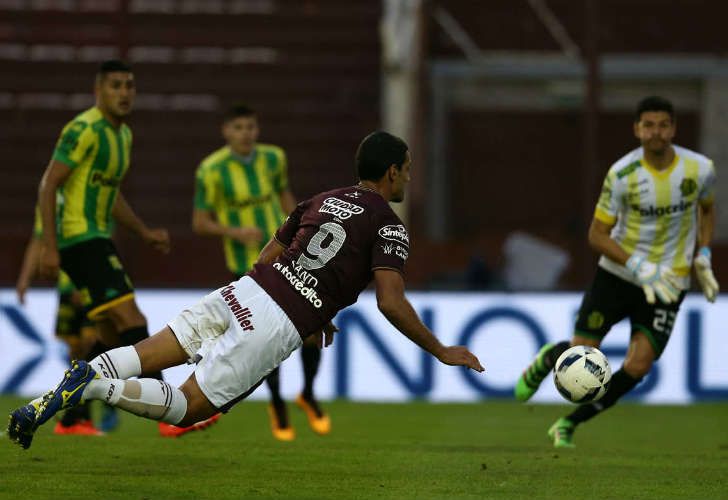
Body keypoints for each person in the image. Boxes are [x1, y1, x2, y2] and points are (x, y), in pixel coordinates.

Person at [8, 131, 484, 450]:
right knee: (188, 407)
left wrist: (317, 307)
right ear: (392, 173)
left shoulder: (321, 199)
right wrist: (440, 350)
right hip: (276, 322)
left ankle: (56, 393)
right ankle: (92, 385)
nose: (409, 177)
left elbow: (270, 255)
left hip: (245, 289)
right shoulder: (389, 225)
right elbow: (390, 301)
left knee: (146, 352)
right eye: (407, 169)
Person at [514, 96, 719, 448]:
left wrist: (703, 253)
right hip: (618, 276)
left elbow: (707, 210)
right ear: (637, 129)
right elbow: (596, 234)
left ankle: (568, 424)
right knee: (582, 353)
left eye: (663, 125)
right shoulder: (622, 174)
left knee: (638, 366)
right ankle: (550, 357)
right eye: (649, 125)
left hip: (669, 280)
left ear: (673, 128)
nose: (656, 132)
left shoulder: (700, 169)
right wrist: (638, 264)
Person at [33, 59, 213, 437]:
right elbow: (49, 184)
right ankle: (170, 415)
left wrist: (143, 232)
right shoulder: (83, 129)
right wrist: (49, 246)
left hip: (97, 239)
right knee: (133, 321)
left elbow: (111, 195)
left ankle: (71, 418)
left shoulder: (123, 136)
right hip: (80, 239)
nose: (124, 92)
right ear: (98, 91)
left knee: (109, 339)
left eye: (129, 85)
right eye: (115, 85)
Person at [192, 104, 328, 440]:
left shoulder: (273, 158)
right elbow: (200, 223)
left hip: (286, 258)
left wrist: (303, 231)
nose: (245, 134)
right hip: (246, 267)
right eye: (238, 127)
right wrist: (234, 232)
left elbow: (286, 199)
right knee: (267, 339)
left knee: (311, 329)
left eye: (250, 127)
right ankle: (277, 402)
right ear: (226, 131)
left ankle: (308, 393)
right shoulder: (210, 170)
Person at [16, 207, 107, 436]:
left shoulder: (86, 200)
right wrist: (24, 279)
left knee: (92, 343)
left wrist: (86, 280)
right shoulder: (48, 205)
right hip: (66, 289)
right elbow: (38, 240)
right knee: (75, 351)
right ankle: (76, 417)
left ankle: (81, 414)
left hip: (91, 285)